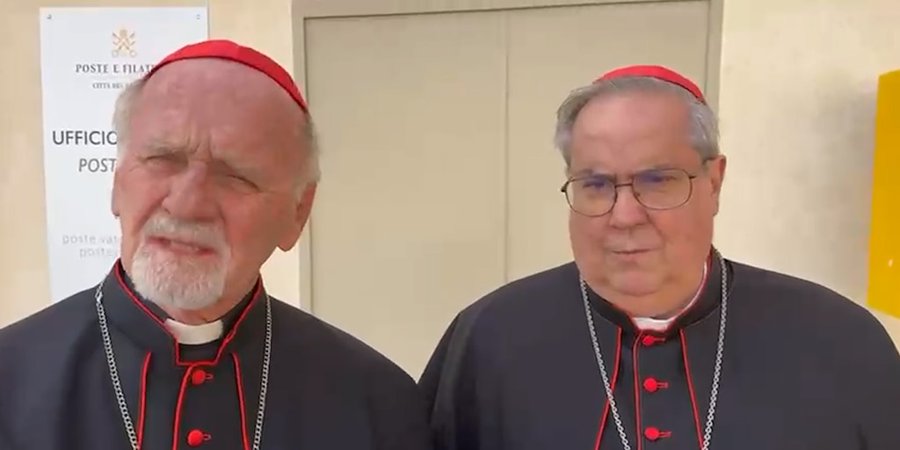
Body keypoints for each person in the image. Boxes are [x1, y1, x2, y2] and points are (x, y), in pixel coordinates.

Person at [419, 65, 900, 450]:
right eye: (595, 184)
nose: (624, 216)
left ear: (714, 183)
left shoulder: (840, 340)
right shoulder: (488, 338)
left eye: (658, 181)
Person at [0, 39, 433, 450]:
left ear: (298, 212)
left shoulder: (376, 403)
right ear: (117, 183)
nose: (187, 205)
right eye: (161, 160)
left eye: (235, 176)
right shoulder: (10, 378)